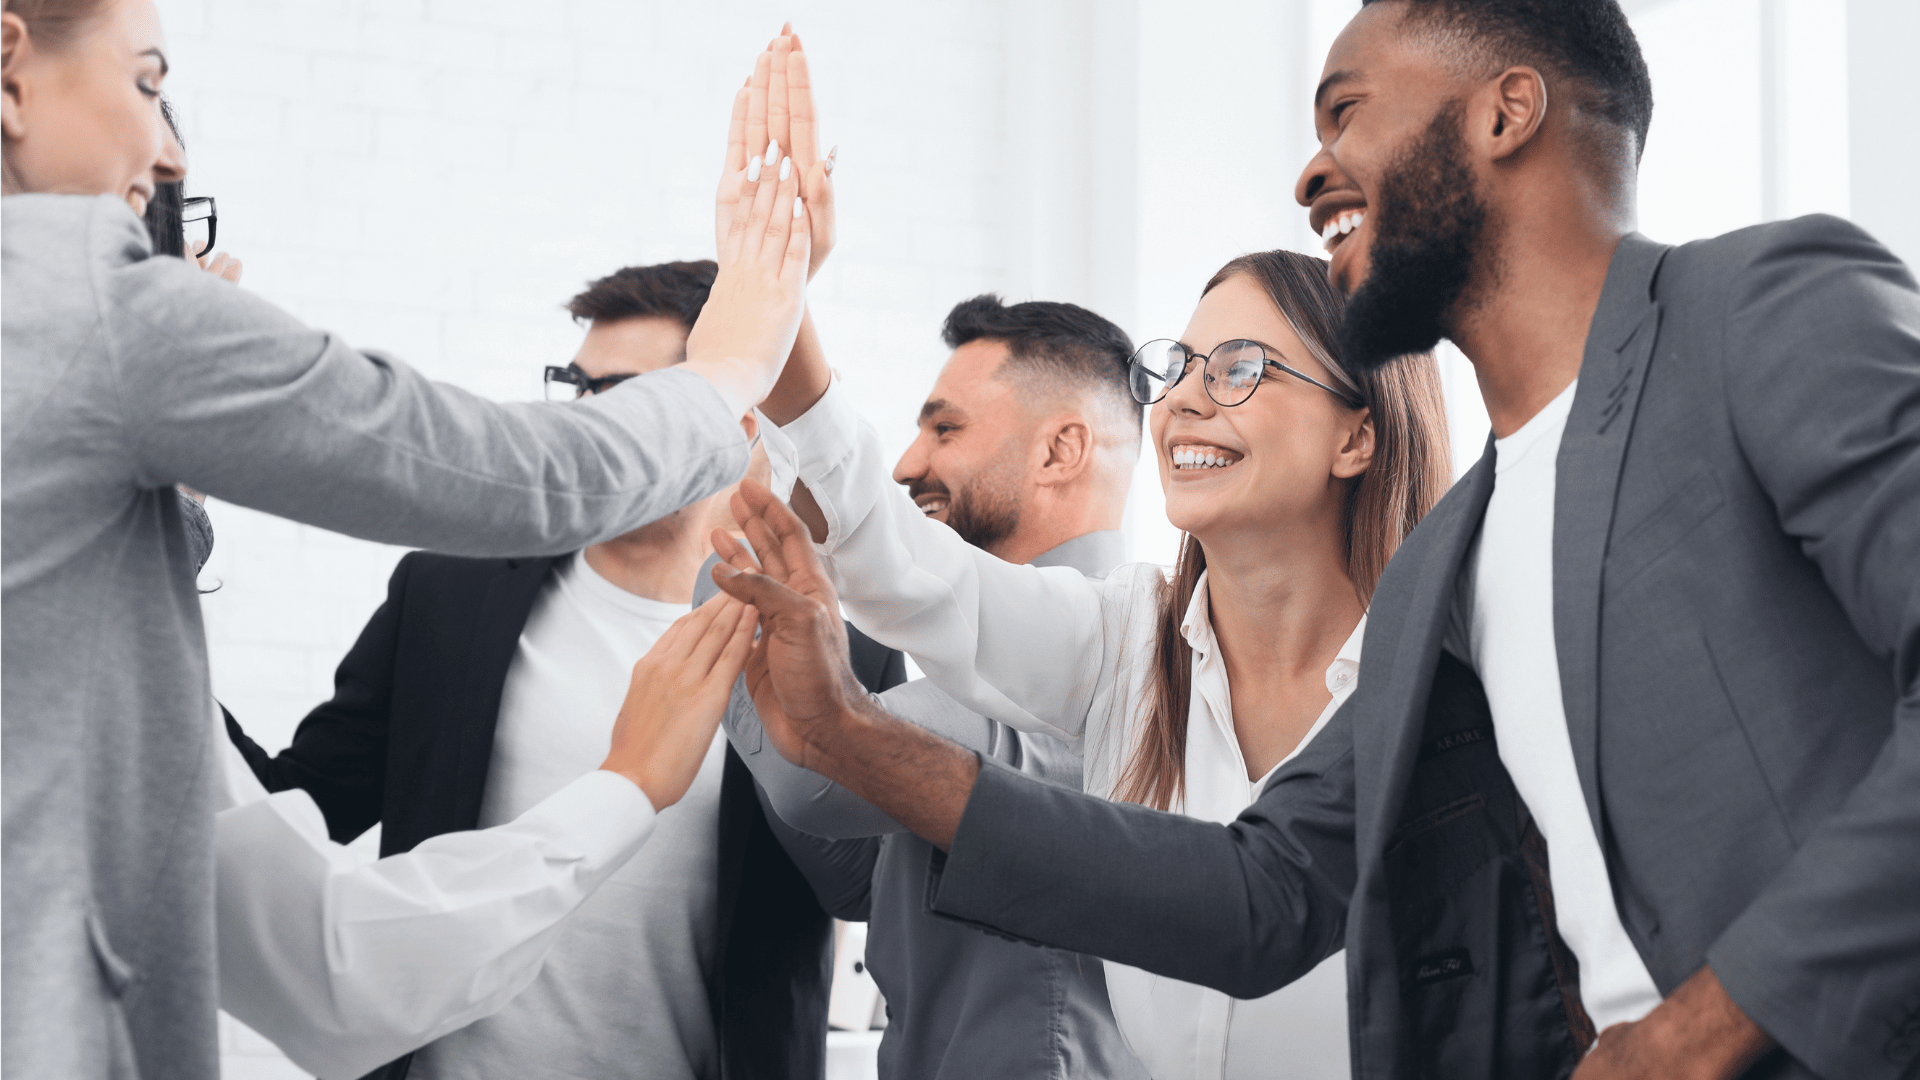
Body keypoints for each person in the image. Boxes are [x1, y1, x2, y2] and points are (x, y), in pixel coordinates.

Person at [712, 1, 1920, 1078]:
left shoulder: (1759, 307)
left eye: (1347, 113)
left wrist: (1690, 1033)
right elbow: (1259, 896)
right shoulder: (1453, 567)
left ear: (1507, 113)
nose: (1310, 171)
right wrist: (849, 739)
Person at [0, 4, 813, 1079]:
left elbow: (306, 940)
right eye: (148, 83)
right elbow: (511, 469)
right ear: (9, 65)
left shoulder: (803, 637)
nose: (161, 158)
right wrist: (735, 361)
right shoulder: (85, 303)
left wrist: (165, 517)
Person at [228, 254, 901, 1080]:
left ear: (736, 422)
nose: (586, 420)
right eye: (576, 387)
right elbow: (290, 805)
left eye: (619, 397)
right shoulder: (448, 596)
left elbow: (872, 893)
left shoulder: (831, 647)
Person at [708, 293, 1152, 1080]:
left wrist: (724, 564)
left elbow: (815, 784)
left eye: (945, 429)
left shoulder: (1092, 659)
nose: (909, 464)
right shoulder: (988, 663)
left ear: (1060, 452)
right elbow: (858, 879)